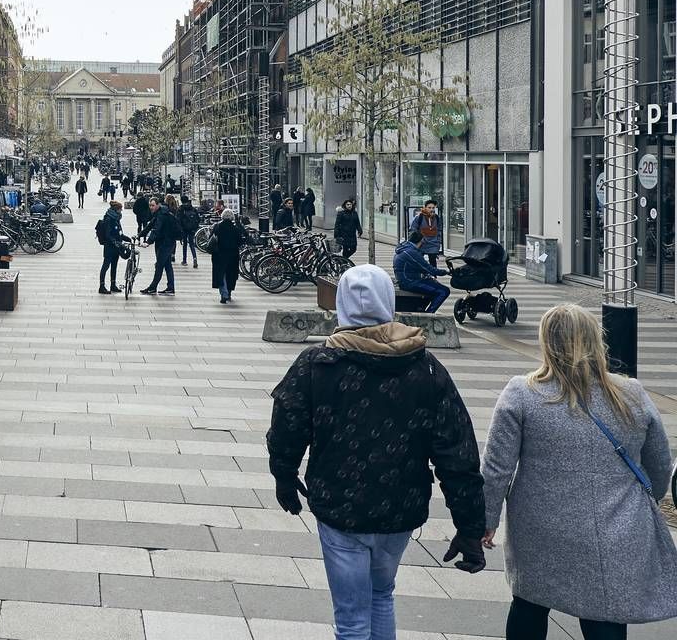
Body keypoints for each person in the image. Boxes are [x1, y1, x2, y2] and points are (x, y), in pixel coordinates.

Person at [268, 265, 486, 640]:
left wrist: (285, 477)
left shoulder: (318, 364)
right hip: (400, 507)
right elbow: (457, 452)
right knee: (381, 595)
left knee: (352, 618)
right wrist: (469, 526)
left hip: (340, 506)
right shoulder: (425, 367)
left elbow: (287, 428)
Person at [482, 304, 677, 640]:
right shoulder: (631, 393)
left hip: (540, 528)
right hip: (615, 527)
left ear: (546, 342)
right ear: (595, 341)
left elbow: (496, 469)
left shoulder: (523, 393)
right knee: (605, 613)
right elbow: (660, 469)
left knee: (529, 603)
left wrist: (484, 521)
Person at [394, 229, 450, 313]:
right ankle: (428, 315)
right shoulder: (411, 252)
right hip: (409, 282)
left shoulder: (404, 248)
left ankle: (420, 308)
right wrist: (445, 272)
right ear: (421, 240)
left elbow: (418, 267)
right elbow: (428, 268)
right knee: (443, 291)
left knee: (433, 284)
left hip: (405, 280)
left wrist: (427, 276)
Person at [140, 194, 182, 296]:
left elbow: (156, 230)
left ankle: (152, 288)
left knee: (159, 265)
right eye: (150, 205)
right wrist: (139, 235)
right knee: (167, 266)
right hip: (166, 243)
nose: (151, 207)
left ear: (158, 205)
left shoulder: (162, 215)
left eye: (153, 205)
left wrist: (148, 242)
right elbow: (150, 225)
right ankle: (170, 288)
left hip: (165, 243)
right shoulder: (159, 213)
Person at [209, 208, 243, 304]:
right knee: (231, 274)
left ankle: (223, 293)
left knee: (221, 274)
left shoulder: (217, 227)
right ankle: (229, 292)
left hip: (219, 254)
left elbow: (211, 239)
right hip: (233, 254)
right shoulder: (235, 228)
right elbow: (240, 241)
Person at [96, 199, 125, 294]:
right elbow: (108, 235)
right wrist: (115, 242)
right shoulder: (109, 219)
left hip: (116, 247)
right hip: (109, 247)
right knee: (106, 266)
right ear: (117, 210)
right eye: (121, 210)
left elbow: (119, 233)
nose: (121, 211)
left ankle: (113, 285)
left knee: (114, 266)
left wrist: (127, 238)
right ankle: (102, 286)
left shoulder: (116, 218)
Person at [410, 200, 442, 266]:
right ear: (425, 207)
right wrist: (418, 240)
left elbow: (439, 230)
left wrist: (438, 241)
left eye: (433, 208)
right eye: (429, 207)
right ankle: (421, 274)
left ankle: (433, 275)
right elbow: (413, 229)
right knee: (419, 261)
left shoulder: (437, 218)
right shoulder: (419, 217)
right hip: (422, 243)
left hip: (433, 244)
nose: (431, 209)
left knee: (433, 261)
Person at [177, 195, 201, 266]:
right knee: (191, 244)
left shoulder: (181, 209)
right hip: (191, 229)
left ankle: (184, 261)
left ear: (181, 201)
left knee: (184, 245)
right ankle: (194, 258)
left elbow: (178, 220)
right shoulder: (193, 208)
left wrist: (180, 229)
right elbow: (198, 219)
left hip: (184, 229)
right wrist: (195, 227)